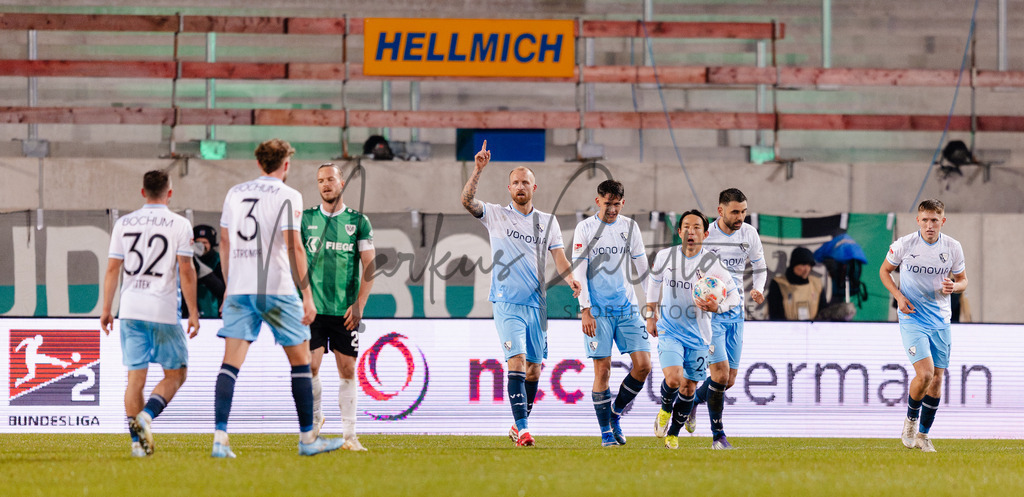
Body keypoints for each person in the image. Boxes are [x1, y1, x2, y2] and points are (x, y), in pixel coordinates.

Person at [212, 138, 344, 458]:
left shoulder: (235, 193)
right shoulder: (289, 194)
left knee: (230, 364)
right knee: (300, 362)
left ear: (259, 163)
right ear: (286, 165)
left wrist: (229, 286)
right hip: (277, 288)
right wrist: (307, 295)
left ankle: (219, 438)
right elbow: (294, 246)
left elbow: (224, 243)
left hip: (241, 288)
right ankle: (308, 439)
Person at [460, 140, 581, 447]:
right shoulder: (496, 215)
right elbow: (467, 201)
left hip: (537, 306)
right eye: (515, 182)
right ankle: (525, 430)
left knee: (534, 370)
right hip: (507, 302)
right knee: (516, 361)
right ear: (509, 188)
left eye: (525, 182)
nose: (520, 186)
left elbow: (560, 258)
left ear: (534, 187)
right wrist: (478, 169)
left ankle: (518, 425)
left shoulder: (548, 222)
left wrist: (571, 278)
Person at [100, 169, 200, 457]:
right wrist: (193, 312)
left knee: (135, 380)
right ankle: (146, 416)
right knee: (176, 374)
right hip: (163, 309)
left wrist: (107, 309)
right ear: (170, 193)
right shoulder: (180, 224)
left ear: (143, 192)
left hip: (130, 309)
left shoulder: (123, 223)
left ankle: (137, 444)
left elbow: (112, 269)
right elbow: (186, 270)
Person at [647, 210, 740, 450]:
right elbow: (653, 284)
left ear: (705, 234)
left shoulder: (711, 263)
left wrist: (718, 307)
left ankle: (673, 434)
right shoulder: (665, 256)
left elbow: (735, 297)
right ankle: (665, 410)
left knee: (689, 388)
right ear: (679, 232)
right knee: (674, 378)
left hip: (699, 336)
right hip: (669, 330)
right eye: (686, 226)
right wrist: (650, 316)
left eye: (697, 227)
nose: (691, 231)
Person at [880, 199, 967, 452]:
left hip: (940, 319)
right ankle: (910, 421)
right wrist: (898, 297)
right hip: (912, 317)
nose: (930, 225)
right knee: (926, 374)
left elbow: (963, 280)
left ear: (943, 221)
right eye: (925, 220)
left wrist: (955, 287)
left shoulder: (953, 247)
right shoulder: (904, 244)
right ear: (918, 220)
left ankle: (923, 435)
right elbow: (884, 271)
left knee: (937, 380)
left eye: (934, 220)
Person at [571, 179, 651, 447]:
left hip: (627, 308)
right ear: (598, 201)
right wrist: (585, 309)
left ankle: (615, 413)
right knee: (602, 371)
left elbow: (642, 268)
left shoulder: (630, 227)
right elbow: (579, 270)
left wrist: (652, 306)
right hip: (598, 311)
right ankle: (606, 431)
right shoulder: (585, 228)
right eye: (607, 204)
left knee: (644, 366)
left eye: (617, 204)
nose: (612, 209)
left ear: (623, 203)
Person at [301, 162, 376, 451]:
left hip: (345, 310)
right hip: (313, 309)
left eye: (330, 179)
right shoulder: (306, 219)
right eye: (320, 180)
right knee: (310, 365)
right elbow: (296, 261)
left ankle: (349, 436)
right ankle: (316, 419)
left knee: (347, 369)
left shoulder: (358, 221)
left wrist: (359, 304)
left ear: (342, 183)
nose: (325, 184)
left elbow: (369, 265)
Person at [684, 188, 766, 448]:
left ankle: (692, 401)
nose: (740, 216)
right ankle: (718, 436)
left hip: (735, 312)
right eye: (735, 212)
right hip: (710, 314)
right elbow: (689, 266)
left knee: (728, 380)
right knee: (719, 375)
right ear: (720, 211)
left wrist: (758, 289)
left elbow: (760, 266)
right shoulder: (706, 235)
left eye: (744, 211)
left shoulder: (749, 234)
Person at [767, 246, 826, 321]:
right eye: (803, 265)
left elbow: (823, 312)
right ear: (794, 265)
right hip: (786, 327)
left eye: (809, 265)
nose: (807, 269)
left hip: (813, 327)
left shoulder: (816, 284)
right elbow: (775, 314)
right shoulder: (779, 284)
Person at [189, 224, 225, 318]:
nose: (202, 246)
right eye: (198, 242)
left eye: (205, 243)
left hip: (214, 311)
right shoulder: (187, 260)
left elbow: (221, 290)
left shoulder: (218, 260)